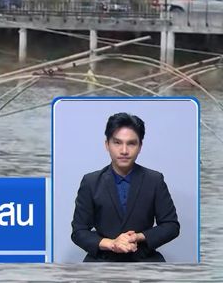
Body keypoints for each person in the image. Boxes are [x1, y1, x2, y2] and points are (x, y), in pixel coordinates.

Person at [70, 112, 180, 262]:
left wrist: (138, 237)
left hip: (144, 258)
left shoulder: (154, 180)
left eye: (131, 143)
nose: (124, 151)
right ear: (107, 145)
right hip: (102, 260)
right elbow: (79, 231)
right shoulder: (91, 181)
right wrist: (112, 244)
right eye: (117, 143)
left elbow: (171, 226)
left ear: (140, 146)